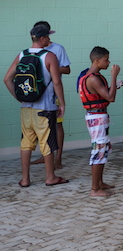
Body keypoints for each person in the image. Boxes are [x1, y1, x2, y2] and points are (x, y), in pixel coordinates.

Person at [3, 24, 68, 187]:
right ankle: (50, 177)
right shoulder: (49, 56)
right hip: (45, 108)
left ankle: (25, 179)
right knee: (47, 143)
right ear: (41, 38)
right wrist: (62, 103)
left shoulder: (22, 54)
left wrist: (18, 97)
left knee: (26, 143)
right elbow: (57, 82)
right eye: (47, 36)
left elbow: (7, 79)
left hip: (26, 108)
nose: (50, 39)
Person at [77, 46, 120, 196]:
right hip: (96, 117)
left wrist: (114, 86)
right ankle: (95, 189)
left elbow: (105, 95)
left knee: (104, 148)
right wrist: (114, 76)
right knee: (99, 151)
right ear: (97, 60)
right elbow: (111, 97)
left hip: (98, 115)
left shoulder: (94, 76)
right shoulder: (93, 78)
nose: (108, 63)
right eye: (106, 60)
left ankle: (100, 182)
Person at [30, 21, 70, 170]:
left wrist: (51, 67)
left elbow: (67, 69)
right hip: (37, 94)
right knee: (41, 125)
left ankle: (58, 158)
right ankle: (45, 155)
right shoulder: (30, 51)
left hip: (54, 93)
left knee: (57, 124)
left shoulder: (57, 48)